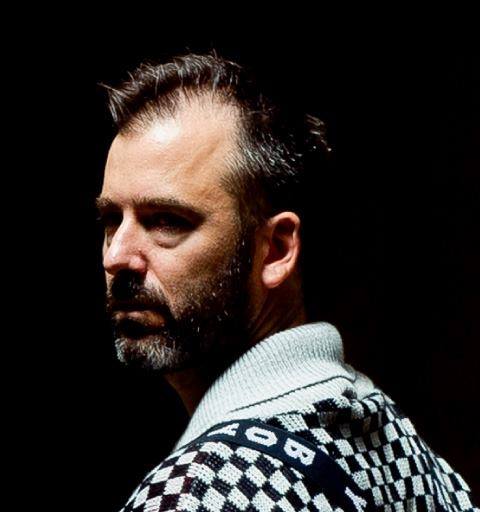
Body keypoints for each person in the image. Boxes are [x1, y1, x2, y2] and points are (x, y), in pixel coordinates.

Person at [96, 53, 476, 512]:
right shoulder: (411, 458)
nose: (117, 256)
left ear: (275, 250)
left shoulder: (197, 495)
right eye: (111, 220)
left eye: (166, 221)